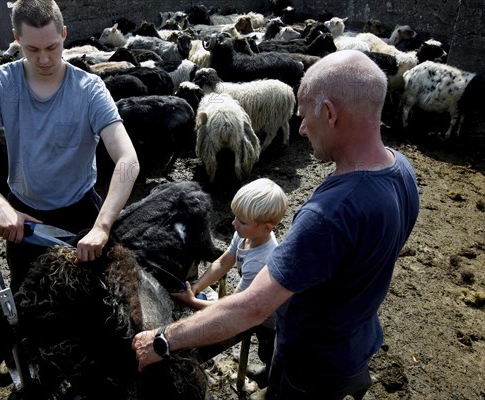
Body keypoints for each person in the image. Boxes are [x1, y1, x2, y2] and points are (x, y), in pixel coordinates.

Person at [132, 49, 420, 400]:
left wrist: (164, 339)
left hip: (311, 361)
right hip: (357, 337)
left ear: (329, 113)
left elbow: (251, 308)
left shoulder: (329, 215)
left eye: (303, 117)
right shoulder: (401, 170)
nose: (299, 128)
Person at [0, 0, 140, 292]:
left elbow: (128, 158)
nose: (44, 60)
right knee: (29, 296)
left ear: (64, 34)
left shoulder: (89, 89)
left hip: (83, 216)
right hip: (23, 218)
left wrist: (102, 227)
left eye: (52, 48)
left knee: (92, 297)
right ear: (17, 40)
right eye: (33, 50)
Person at [171, 177, 287, 379]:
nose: (234, 223)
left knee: (269, 348)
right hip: (250, 300)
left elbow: (234, 308)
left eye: (241, 221)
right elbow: (224, 262)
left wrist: (191, 302)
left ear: (266, 228)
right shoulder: (245, 235)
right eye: (235, 217)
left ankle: (271, 374)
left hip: (270, 318)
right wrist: (197, 287)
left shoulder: (260, 262)